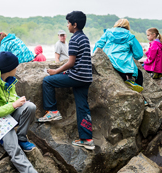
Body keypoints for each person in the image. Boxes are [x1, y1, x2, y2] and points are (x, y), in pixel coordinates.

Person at [37, 11, 95, 150]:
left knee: (48, 81)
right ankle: (87, 139)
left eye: (68, 23)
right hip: (86, 77)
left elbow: (71, 62)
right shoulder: (84, 38)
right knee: (82, 106)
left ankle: (52, 111)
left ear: (74, 25)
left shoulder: (74, 39)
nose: (67, 26)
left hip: (76, 77)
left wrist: (55, 71)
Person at [0, 52, 37, 173]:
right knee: (15, 151)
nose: (17, 68)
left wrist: (17, 101)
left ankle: (21, 138)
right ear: (8, 69)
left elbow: (11, 99)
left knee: (30, 107)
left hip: (8, 114)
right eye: (15, 66)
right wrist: (14, 105)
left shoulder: (9, 80)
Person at [93, 19, 144, 92]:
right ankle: (139, 95)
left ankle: (128, 81)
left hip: (108, 61)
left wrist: (95, 56)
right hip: (124, 65)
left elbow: (98, 45)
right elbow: (139, 54)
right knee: (139, 74)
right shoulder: (130, 36)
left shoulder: (108, 33)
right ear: (127, 26)